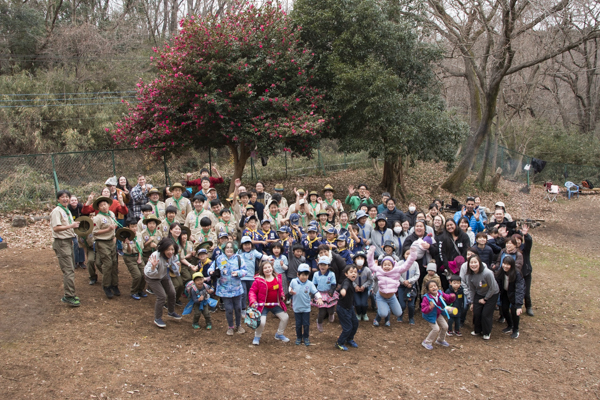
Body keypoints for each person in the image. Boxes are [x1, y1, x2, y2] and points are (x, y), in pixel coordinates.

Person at [208, 241, 248, 335]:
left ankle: (239, 326)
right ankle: (230, 327)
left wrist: (238, 273)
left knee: (238, 308)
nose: (229, 249)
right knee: (228, 308)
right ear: (224, 249)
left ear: (234, 249)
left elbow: (245, 270)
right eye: (227, 247)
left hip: (237, 289)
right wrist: (211, 272)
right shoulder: (219, 258)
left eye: (231, 247)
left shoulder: (238, 258)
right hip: (224, 289)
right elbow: (211, 268)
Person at [51, 190, 81, 307]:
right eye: (62, 197)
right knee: (68, 270)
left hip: (68, 241)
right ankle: (69, 296)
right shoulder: (56, 211)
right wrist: (71, 226)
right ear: (58, 199)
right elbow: (56, 228)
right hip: (61, 242)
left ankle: (70, 294)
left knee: (71, 268)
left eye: (67, 197)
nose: (65, 199)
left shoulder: (66, 210)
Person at [248, 260, 290, 345]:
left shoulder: (277, 278)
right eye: (265, 268)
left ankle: (279, 334)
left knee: (285, 317)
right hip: (262, 305)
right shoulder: (259, 280)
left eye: (269, 267)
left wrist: (282, 295)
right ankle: (257, 336)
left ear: (272, 268)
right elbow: (252, 292)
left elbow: (280, 289)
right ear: (262, 270)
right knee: (262, 322)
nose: (268, 269)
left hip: (275, 304)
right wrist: (253, 301)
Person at [144, 238, 183, 328]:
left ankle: (171, 312)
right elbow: (149, 272)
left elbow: (175, 271)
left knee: (172, 292)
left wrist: (176, 266)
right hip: (152, 277)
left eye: (172, 249)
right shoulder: (155, 256)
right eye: (168, 249)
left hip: (163, 274)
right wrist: (153, 267)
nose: (170, 252)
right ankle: (157, 318)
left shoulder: (173, 256)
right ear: (163, 249)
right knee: (162, 296)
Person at [367, 246, 408, 327]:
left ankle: (387, 319)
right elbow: (371, 265)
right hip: (381, 295)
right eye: (384, 265)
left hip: (391, 296)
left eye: (389, 265)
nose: (387, 266)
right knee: (383, 313)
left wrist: (412, 255)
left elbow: (406, 265)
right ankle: (378, 319)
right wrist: (371, 252)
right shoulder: (379, 271)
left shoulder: (396, 272)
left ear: (393, 266)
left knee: (399, 313)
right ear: (382, 266)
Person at [466, 255, 499, 340]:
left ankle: (487, 332)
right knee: (476, 312)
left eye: (475, 262)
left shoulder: (487, 273)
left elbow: (493, 288)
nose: (473, 265)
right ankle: (477, 330)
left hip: (492, 294)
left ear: (479, 263)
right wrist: (472, 302)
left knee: (485, 314)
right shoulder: (469, 275)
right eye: (471, 263)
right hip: (479, 293)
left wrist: (485, 299)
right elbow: (472, 289)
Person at [92, 196, 120, 299]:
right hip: (102, 242)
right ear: (99, 207)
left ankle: (115, 284)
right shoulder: (97, 218)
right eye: (101, 205)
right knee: (107, 264)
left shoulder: (111, 214)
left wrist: (113, 234)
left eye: (105, 204)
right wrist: (107, 230)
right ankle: (106, 286)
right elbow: (95, 232)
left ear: (108, 205)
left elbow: (115, 224)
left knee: (114, 263)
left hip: (111, 241)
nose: (104, 206)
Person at [289, 263, 323, 346]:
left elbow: (315, 292)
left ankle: (306, 337)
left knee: (306, 324)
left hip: (306, 308)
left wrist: (319, 298)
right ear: (298, 274)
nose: (304, 277)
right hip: (297, 307)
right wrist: (290, 291)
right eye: (303, 275)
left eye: (306, 275)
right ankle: (299, 337)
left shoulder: (310, 284)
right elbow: (290, 287)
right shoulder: (294, 281)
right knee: (298, 324)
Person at [420, 280, 455, 350]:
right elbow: (423, 309)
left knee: (445, 326)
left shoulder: (440, 293)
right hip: (429, 315)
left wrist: (452, 297)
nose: (433, 287)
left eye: (435, 286)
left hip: (438, 313)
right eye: (431, 287)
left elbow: (447, 298)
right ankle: (427, 342)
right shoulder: (426, 298)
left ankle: (440, 340)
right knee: (436, 329)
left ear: (438, 287)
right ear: (428, 290)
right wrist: (429, 307)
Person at [436, 219, 470, 291]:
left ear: (455, 225)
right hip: (448, 267)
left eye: (451, 225)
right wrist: (448, 266)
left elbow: (466, 251)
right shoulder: (443, 237)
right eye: (447, 226)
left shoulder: (464, 236)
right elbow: (442, 253)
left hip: (461, 266)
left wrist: (460, 264)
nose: (449, 227)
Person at [495, 256, 524, 339]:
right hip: (505, 293)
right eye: (504, 264)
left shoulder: (517, 274)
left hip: (514, 294)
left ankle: (516, 329)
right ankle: (509, 325)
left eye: (508, 264)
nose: (505, 266)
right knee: (504, 309)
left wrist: (519, 305)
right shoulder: (500, 272)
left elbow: (519, 289)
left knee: (514, 312)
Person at [312, 256, 339, 332]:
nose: (322, 267)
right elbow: (314, 285)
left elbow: (334, 284)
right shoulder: (316, 274)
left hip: (329, 293)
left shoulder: (331, 274)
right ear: (318, 265)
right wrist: (312, 295)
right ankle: (319, 323)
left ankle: (331, 314)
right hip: (320, 294)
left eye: (324, 265)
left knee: (330, 309)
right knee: (322, 311)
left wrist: (331, 291)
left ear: (328, 266)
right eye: (321, 265)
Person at [335, 265, 359, 351]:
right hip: (343, 308)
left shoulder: (351, 282)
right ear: (346, 274)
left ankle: (349, 339)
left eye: (355, 272)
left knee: (355, 323)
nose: (354, 273)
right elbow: (344, 287)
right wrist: (343, 291)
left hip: (350, 308)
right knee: (348, 327)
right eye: (351, 272)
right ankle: (339, 342)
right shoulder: (346, 282)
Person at [121, 219, 145, 300]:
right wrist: (128, 244)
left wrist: (139, 258)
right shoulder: (125, 237)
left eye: (135, 226)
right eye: (132, 227)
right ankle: (133, 291)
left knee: (144, 274)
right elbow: (129, 251)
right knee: (137, 275)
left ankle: (140, 290)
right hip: (129, 257)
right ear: (128, 227)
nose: (134, 228)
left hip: (138, 256)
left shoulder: (139, 234)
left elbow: (140, 248)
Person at [398, 248, 420, 325]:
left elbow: (417, 275)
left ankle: (411, 317)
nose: (408, 256)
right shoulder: (400, 263)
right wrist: (403, 281)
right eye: (407, 254)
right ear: (404, 254)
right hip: (402, 286)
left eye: (410, 254)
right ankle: (400, 315)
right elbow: (397, 274)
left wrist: (410, 281)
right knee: (402, 304)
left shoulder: (415, 264)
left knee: (411, 305)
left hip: (411, 287)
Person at [352, 251, 373, 321]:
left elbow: (370, 280)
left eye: (362, 258)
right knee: (357, 303)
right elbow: (350, 279)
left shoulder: (367, 270)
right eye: (357, 258)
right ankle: (358, 313)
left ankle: (364, 313)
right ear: (354, 260)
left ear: (365, 260)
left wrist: (364, 286)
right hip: (355, 290)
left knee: (364, 304)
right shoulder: (352, 270)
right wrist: (355, 286)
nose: (359, 260)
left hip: (364, 289)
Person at [519, 223, 535, 316]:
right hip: (517, 273)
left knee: (526, 293)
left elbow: (529, 242)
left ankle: (528, 307)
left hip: (526, 273)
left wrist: (526, 235)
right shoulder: (512, 249)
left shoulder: (525, 248)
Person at [68, 194, 86, 269]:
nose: (74, 202)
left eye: (75, 200)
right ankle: (75, 261)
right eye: (72, 200)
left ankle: (81, 261)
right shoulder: (68, 209)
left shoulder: (80, 207)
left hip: (80, 228)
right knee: (75, 243)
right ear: (69, 201)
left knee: (81, 243)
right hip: (71, 228)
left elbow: (85, 216)